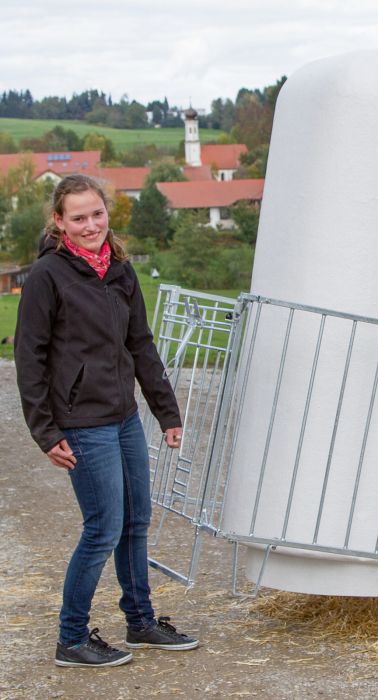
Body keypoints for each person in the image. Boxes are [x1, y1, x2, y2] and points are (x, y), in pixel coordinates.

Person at [14, 174, 198, 668]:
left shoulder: (120, 270)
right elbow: (30, 359)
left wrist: (166, 410)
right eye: (78, 217)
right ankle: (71, 638)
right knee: (102, 527)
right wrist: (45, 432)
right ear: (60, 222)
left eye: (97, 214)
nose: (91, 224)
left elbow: (140, 344)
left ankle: (140, 622)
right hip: (80, 423)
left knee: (136, 522)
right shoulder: (46, 277)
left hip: (124, 418)